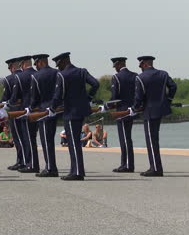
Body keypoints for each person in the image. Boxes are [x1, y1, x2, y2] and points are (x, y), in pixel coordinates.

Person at [49, 52, 100, 181]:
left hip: (70, 112)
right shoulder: (82, 72)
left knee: (73, 143)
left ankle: (77, 172)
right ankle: (76, 170)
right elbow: (95, 84)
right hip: (81, 110)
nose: (58, 66)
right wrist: (87, 98)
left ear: (65, 61)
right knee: (74, 142)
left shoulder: (62, 75)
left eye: (59, 63)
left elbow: (58, 95)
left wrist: (52, 108)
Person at [129, 56, 177, 177]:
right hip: (160, 110)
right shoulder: (163, 74)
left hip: (149, 112)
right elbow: (173, 86)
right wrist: (168, 100)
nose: (140, 68)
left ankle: (155, 169)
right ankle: (155, 167)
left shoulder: (140, 78)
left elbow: (139, 97)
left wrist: (134, 108)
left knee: (151, 141)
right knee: (154, 140)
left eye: (140, 66)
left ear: (144, 64)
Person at [7, 56, 39, 173]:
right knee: (32, 139)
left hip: (24, 111)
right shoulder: (37, 74)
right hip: (37, 111)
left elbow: (14, 97)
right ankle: (30, 162)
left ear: (23, 64)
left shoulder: (20, 77)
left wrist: (8, 103)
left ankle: (31, 164)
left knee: (27, 139)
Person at [30, 54, 60, 177]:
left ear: (41, 62)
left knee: (46, 141)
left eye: (36, 63)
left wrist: (32, 108)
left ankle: (50, 168)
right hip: (57, 109)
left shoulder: (36, 76)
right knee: (50, 140)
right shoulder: (58, 73)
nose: (36, 66)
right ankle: (51, 166)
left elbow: (34, 97)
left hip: (43, 111)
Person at [106, 57, 138, 172]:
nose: (115, 69)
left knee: (124, 138)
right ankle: (125, 163)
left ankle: (128, 165)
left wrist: (106, 106)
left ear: (118, 64)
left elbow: (115, 97)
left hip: (121, 112)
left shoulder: (117, 77)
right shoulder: (135, 75)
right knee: (127, 138)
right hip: (132, 110)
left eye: (115, 67)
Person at [0, 57, 25, 170]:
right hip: (28, 111)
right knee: (27, 138)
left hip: (14, 110)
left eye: (10, 67)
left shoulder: (9, 79)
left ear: (13, 66)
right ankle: (28, 160)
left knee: (18, 137)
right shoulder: (29, 75)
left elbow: (5, 98)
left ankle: (21, 160)